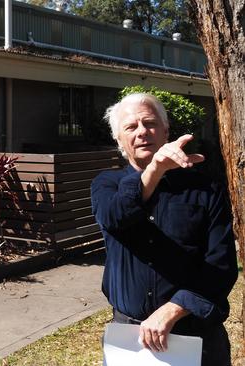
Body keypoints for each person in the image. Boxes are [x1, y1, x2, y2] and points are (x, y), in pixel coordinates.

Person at [92, 93, 237, 365]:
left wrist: (173, 309)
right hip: (130, 342)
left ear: (166, 130)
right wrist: (155, 169)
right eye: (131, 127)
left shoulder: (205, 189)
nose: (142, 132)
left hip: (196, 336)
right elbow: (115, 218)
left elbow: (221, 264)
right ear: (119, 139)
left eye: (150, 123)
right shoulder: (106, 185)